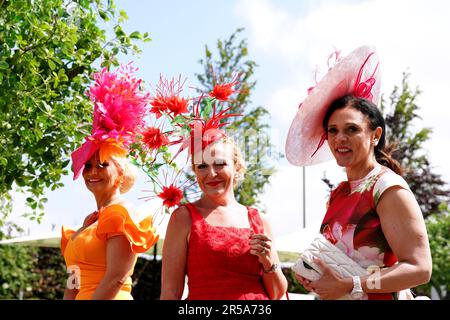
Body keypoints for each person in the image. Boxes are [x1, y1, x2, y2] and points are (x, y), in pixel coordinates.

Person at [285, 46, 432, 300]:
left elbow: (419, 269)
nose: (340, 139)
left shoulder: (387, 188)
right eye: (332, 131)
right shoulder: (339, 193)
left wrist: (352, 284)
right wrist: (316, 273)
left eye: (351, 129)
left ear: (375, 135)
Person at [61, 66, 159, 300]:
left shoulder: (120, 215)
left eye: (102, 165)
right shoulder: (90, 222)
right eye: (88, 165)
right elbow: (74, 278)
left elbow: (116, 278)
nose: (93, 172)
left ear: (121, 174)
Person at [160, 135, 288, 300]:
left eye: (219, 164)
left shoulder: (259, 220)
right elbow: (170, 293)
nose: (211, 173)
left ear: (236, 167)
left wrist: (269, 262)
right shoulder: (183, 218)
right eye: (202, 166)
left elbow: (277, 294)